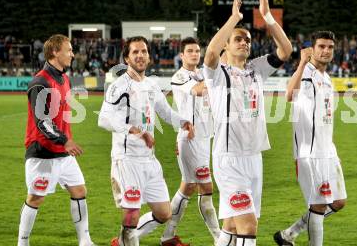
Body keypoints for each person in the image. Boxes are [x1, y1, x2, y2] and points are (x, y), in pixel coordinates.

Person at [203, 0, 292, 246]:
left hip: (254, 157)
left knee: (232, 225)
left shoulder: (256, 69)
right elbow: (210, 54)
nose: (245, 42)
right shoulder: (218, 73)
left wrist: (267, 16)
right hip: (229, 159)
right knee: (248, 225)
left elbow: (285, 50)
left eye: (248, 40)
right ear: (227, 45)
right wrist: (234, 20)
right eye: (238, 39)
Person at [97, 36, 195, 246]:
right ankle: (127, 241)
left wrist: (184, 122)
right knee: (131, 214)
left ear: (149, 56)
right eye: (135, 52)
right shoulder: (119, 86)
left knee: (163, 212)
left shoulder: (151, 85)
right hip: (127, 159)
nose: (140, 56)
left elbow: (166, 113)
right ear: (126, 58)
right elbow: (103, 118)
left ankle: (122, 241)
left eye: (144, 51)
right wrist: (132, 130)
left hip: (149, 160)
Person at [18, 34, 96, 246]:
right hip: (42, 152)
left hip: (63, 152)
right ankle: (22, 243)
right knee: (35, 198)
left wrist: (65, 141)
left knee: (79, 190)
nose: (72, 54)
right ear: (54, 52)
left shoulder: (65, 78)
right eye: (68, 50)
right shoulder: (39, 82)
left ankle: (84, 240)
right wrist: (65, 140)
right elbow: (42, 121)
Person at [274, 31, 347, 246]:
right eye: (321, 46)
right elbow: (289, 95)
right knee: (318, 205)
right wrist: (301, 63)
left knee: (339, 202)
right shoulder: (306, 72)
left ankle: (289, 234)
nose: (326, 51)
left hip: (327, 151)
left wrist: (331, 149)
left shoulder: (326, 78)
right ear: (312, 49)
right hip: (310, 153)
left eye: (330, 47)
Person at [161, 37, 220, 245]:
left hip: (205, 137)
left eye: (197, 51)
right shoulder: (179, 76)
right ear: (182, 55)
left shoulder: (202, 74)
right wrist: (214, 76)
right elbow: (197, 91)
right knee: (206, 187)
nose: (195, 54)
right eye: (190, 51)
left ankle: (168, 236)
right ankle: (219, 238)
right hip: (190, 138)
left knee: (188, 187)